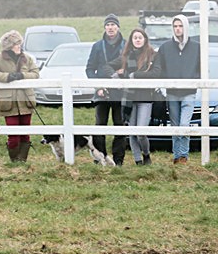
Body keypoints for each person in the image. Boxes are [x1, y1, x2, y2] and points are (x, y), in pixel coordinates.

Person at [106, 28, 160, 165]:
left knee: (140, 132)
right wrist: (116, 75)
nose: (137, 40)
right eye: (134, 37)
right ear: (131, 40)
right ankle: (137, 160)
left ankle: (146, 155)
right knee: (131, 131)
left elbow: (156, 74)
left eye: (140, 37)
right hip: (129, 99)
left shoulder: (153, 55)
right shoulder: (125, 56)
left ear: (145, 39)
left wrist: (135, 75)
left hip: (145, 97)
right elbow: (107, 66)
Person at [0, 30, 40, 162]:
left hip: (26, 101)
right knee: (13, 135)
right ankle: (14, 161)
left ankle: (23, 161)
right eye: (16, 44)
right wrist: (7, 77)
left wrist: (22, 76)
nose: (19, 46)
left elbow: (36, 74)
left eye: (20, 44)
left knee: (25, 134)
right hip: (8, 103)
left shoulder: (27, 58)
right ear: (9, 47)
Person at [157, 14, 200, 165]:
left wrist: (194, 80)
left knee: (184, 125)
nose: (177, 29)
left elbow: (201, 68)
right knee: (175, 126)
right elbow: (160, 68)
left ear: (186, 27)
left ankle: (184, 156)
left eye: (180, 26)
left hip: (189, 92)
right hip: (172, 92)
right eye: (175, 26)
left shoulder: (196, 47)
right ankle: (177, 157)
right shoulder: (165, 47)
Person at [85, 14, 127, 165]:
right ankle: (100, 157)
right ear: (105, 27)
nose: (110, 27)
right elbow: (90, 69)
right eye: (108, 25)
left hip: (120, 92)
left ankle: (118, 160)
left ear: (118, 27)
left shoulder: (126, 45)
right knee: (100, 126)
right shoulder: (97, 46)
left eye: (113, 25)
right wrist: (98, 86)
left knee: (120, 126)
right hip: (102, 93)